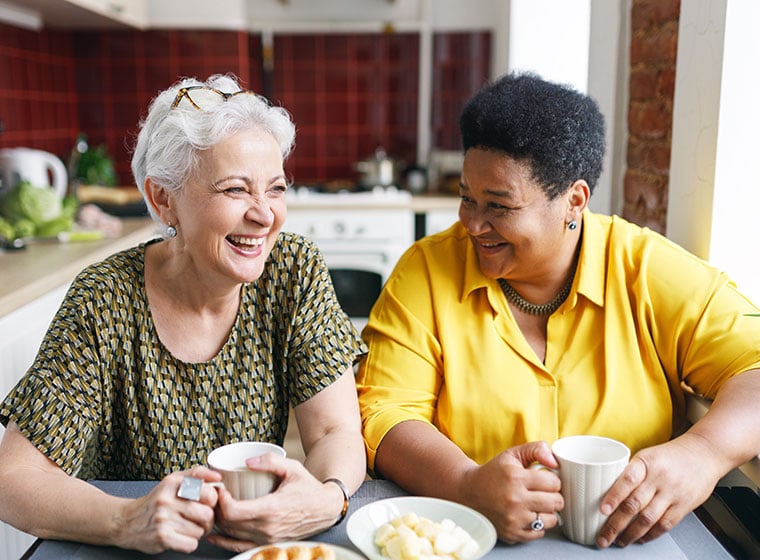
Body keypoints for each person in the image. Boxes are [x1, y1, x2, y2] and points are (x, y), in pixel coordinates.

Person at [356, 72, 760, 548]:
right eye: (467, 198)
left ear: (574, 200)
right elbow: (386, 412)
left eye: (499, 205)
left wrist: (704, 453)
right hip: (465, 539)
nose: (472, 223)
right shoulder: (425, 271)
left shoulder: (644, 268)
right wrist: (466, 483)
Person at [0, 74, 367, 555]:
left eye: (275, 189)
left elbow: (335, 430)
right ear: (162, 199)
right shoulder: (105, 298)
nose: (265, 215)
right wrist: (127, 519)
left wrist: (325, 498)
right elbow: (13, 477)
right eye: (236, 190)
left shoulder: (293, 271)